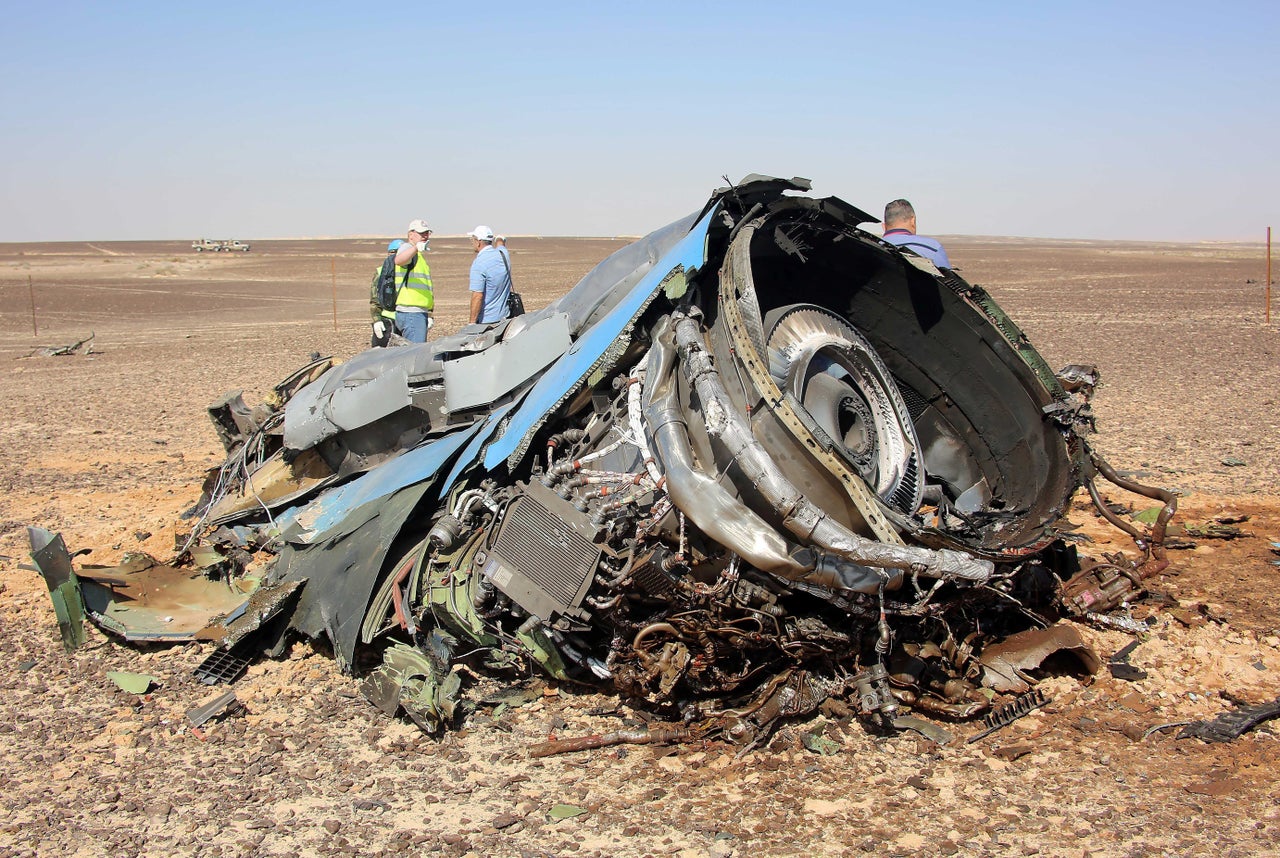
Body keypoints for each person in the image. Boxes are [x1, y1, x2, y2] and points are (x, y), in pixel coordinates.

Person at [390, 219, 435, 342]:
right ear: (411, 235)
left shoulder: (418, 255)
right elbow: (399, 260)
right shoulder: (407, 248)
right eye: (422, 234)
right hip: (411, 313)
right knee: (415, 354)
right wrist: (416, 248)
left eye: (427, 233)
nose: (425, 236)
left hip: (417, 313)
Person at [881, 199, 952, 268]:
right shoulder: (931, 247)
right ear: (913, 221)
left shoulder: (874, 247)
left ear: (884, 226)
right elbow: (948, 278)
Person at [467, 225, 512, 325]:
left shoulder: (479, 264)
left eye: (472, 239)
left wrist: (471, 323)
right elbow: (501, 243)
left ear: (478, 241)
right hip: (505, 317)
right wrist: (500, 238)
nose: (472, 243)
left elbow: (477, 296)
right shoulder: (503, 254)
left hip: (486, 321)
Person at [370, 239, 402, 347]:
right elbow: (375, 298)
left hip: (406, 319)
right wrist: (376, 320)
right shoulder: (381, 272)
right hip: (387, 322)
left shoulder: (408, 271)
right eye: (393, 252)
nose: (395, 255)